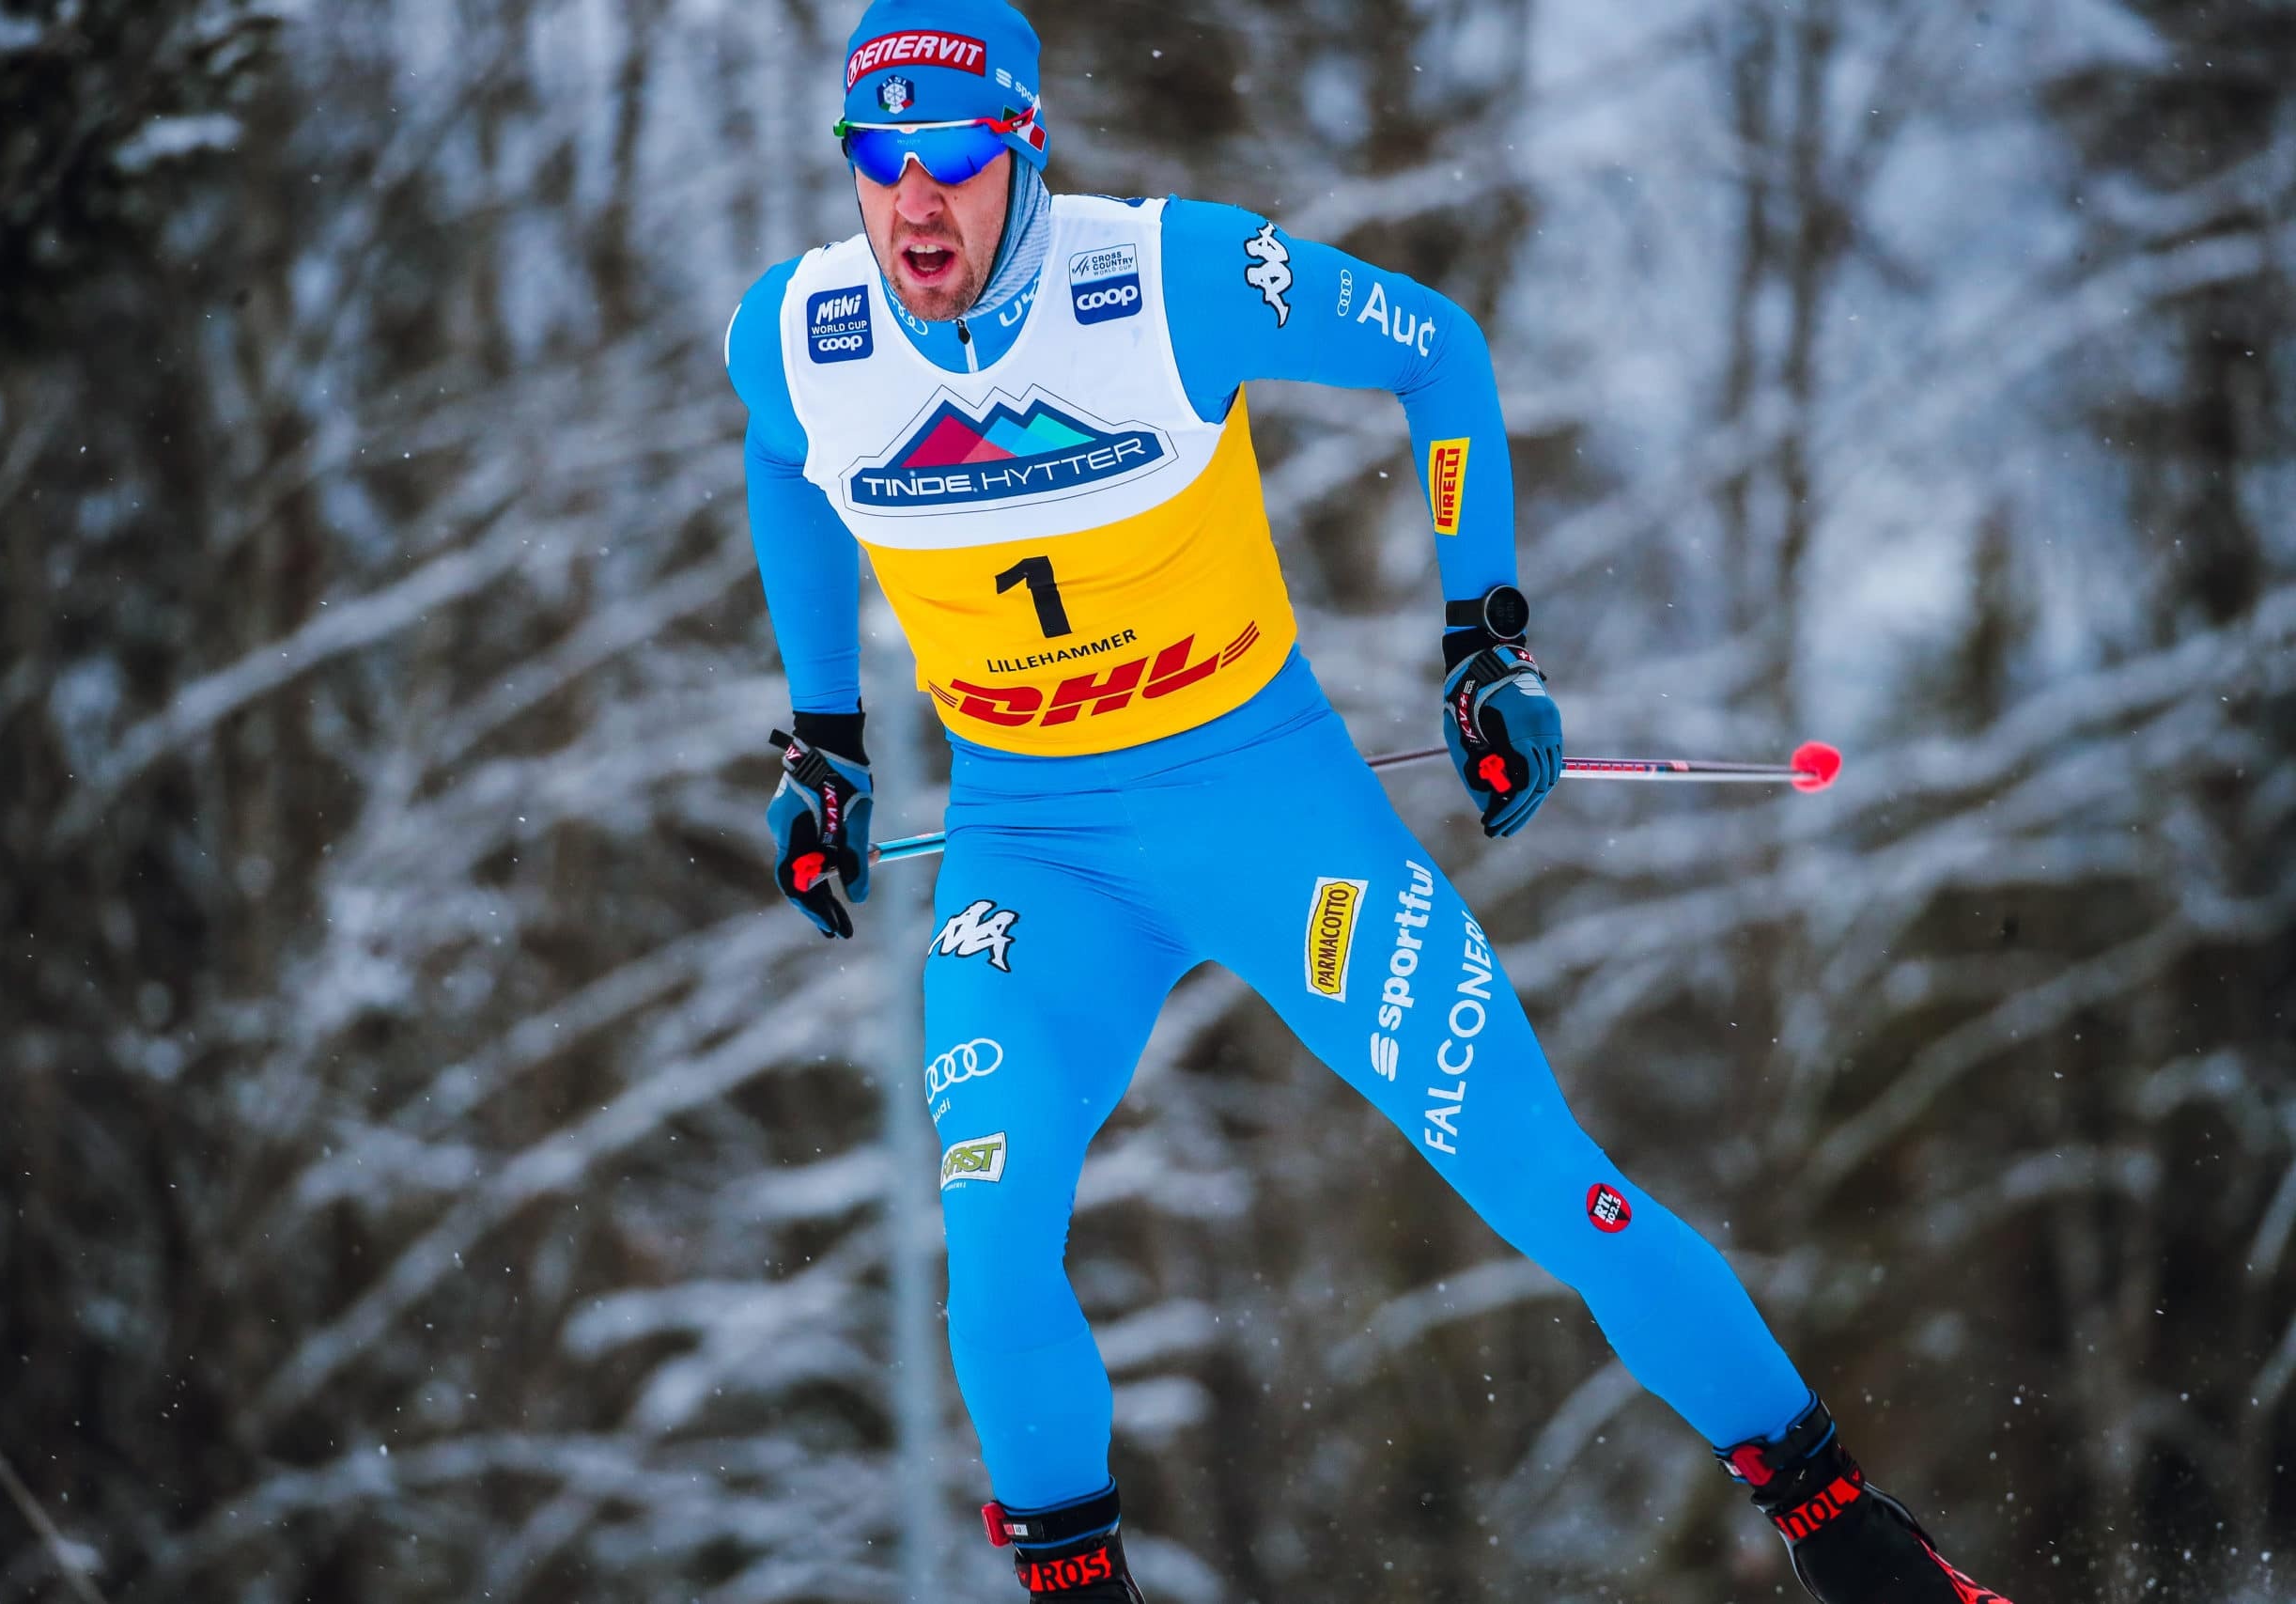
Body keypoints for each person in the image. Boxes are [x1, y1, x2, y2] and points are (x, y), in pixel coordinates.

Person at [725, 5, 2012, 1600]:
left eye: (956, 156)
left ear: (1026, 147)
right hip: (1032, 850)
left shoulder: (1162, 279)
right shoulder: (799, 333)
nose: (915, 203)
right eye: (879, 162)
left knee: (1541, 1175)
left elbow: (1434, 348)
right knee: (988, 1258)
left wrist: (1485, 642)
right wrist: (825, 741)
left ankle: (1846, 1531)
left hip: (1261, 806)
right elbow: (785, 465)